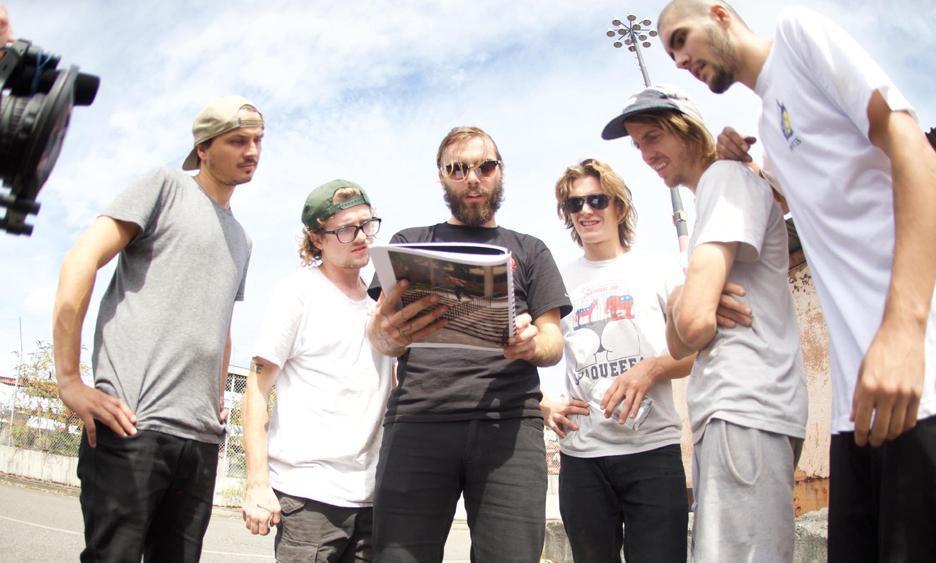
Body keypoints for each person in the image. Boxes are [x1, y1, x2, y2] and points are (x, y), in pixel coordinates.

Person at [657, 2, 936, 561]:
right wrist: (747, 164)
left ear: (719, 14)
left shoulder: (800, 37)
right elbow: (818, 201)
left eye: (681, 38)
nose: (679, 58)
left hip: (929, 372)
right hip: (858, 407)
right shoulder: (769, 123)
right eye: (669, 52)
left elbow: (912, 147)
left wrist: (904, 330)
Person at [52, 95, 262, 561]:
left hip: (200, 440)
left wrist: (216, 400)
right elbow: (80, 260)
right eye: (237, 140)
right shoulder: (164, 187)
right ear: (204, 149)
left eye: (257, 141)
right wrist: (68, 379)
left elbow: (221, 322)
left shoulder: (241, 237)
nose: (251, 151)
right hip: (134, 425)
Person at [603, 85, 808, 560]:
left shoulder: (724, 180)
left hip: (743, 406)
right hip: (741, 411)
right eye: (638, 145)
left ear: (689, 131)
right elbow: (682, 344)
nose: (647, 154)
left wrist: (683, 303)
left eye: (654, 136)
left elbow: (692, 327)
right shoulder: (722, 190)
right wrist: (684, 302)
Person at [366, 126, 572, 562]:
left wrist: (532, 345)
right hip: (418, 421)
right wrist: (386, 335)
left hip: (509, 426)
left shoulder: (530, 250)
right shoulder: (409, 243)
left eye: (485, 166)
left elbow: (553, 340)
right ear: (441, 176)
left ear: (500, 172)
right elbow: (379, 333)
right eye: (457, 169)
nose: (472, 178)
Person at [546, 158, 692, 562]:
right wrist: (543, 401)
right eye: (575, 205)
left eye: (597, 199)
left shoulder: (660, 268)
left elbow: (696, 351)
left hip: (652, 450)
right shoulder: (557, 280)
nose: (586, 211)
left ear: (619, 206)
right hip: (582, 458)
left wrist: (653, 368)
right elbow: (536, 345)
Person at [241, 180, 392, 561]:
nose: (360, 237)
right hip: (308, 497)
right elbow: (256, 388)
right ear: (317, 239)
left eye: (366, 224)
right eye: (345, 229)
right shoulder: (298, 293)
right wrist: (257, 482)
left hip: (372, 497)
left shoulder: (381, 306)